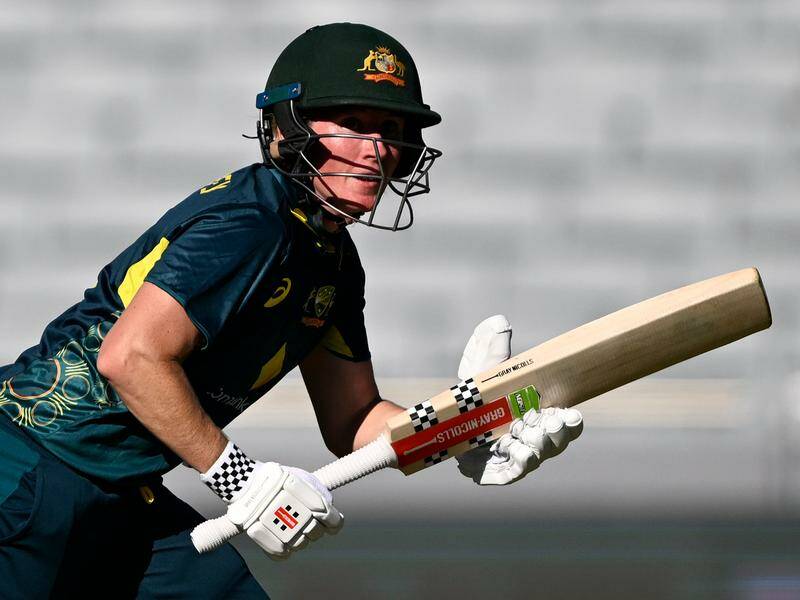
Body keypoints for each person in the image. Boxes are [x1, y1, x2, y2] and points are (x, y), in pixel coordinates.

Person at [0, 23, 582, 598]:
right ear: (287, 128)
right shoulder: (251, 223)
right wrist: (238, 479)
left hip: (116, 486)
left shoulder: (333, 259)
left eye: (390, 130)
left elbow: (353, 419)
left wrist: (464, 429)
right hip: (27, 465)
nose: (376, 150)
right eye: (352, 124)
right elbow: (130, 358)